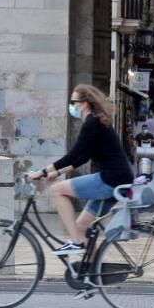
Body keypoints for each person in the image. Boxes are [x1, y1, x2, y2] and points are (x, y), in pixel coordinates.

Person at [30, 84, 134, 255]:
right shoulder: (95, 122)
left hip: (109, 179)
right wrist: (56, 173)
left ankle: (75, 243)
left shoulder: (91, 123)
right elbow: (83, 157)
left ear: (84, 103)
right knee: (81, 227)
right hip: (118, 180)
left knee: (57, 191)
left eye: (73, 102)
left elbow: (73, 155)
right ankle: (92, 276)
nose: (72, 106)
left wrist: (42, 172)